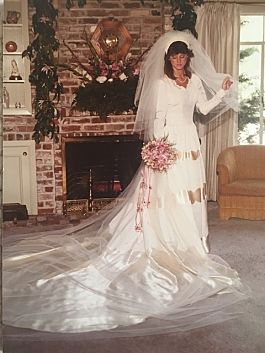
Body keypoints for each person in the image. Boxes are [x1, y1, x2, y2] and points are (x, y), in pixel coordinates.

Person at [3, 30, 249, 338]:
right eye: (174, 55)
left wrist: (223, 92)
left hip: (191, 145)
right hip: (169, 145)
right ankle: (167, 242)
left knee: (191, 195)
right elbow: (156, 119)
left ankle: (193, 245)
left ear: (188, 59)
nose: (178, 59)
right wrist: (159, 149)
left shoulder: (195, 82)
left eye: (182, 55)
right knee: (167, 196)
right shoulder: (160, 84)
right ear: (168, 59)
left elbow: (203, 109)